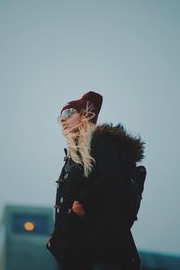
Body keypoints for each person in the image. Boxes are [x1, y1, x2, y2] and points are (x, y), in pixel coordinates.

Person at [46, 91, 145, 270]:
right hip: (72, 251)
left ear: (84, 114)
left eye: (69, 113)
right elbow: (65, 199)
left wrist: (84, 202)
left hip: (101, 249)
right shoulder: (72, 158)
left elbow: (111, 179)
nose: (63, 118)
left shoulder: (101, 140)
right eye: (60, 115)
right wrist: (55, 236)